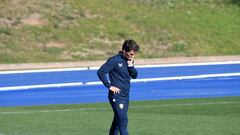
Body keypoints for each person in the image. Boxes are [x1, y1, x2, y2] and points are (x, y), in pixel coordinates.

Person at [97, 39, 140, 135]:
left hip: (125, 96)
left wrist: (131, 66)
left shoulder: (130, 60)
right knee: (123, 121)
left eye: (134, 54)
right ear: (124, 51)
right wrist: (109, 86)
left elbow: (135, 75)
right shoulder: (114, 60)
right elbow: (101, 72)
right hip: (116, 96)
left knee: (117, 123)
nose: (133, 56)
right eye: (131, 54)